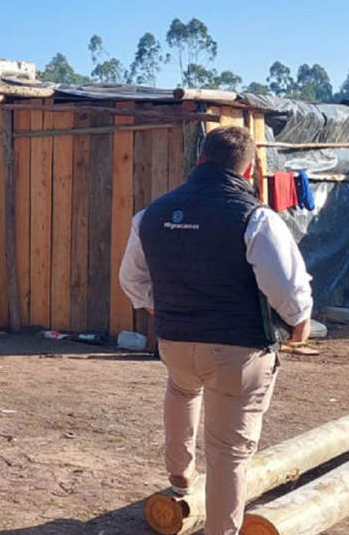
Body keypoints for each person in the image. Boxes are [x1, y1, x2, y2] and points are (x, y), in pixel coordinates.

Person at [119, 126, 313, 535]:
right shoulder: (255, 216)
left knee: (182, 388)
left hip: (174, 342)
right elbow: (288, 287)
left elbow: (131, 280)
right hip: (236, 351)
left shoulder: (150, 214)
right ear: (247, 171)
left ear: (200, 160)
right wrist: (300, 323)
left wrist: (161, 308)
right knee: (229, 452)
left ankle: (180, 476)